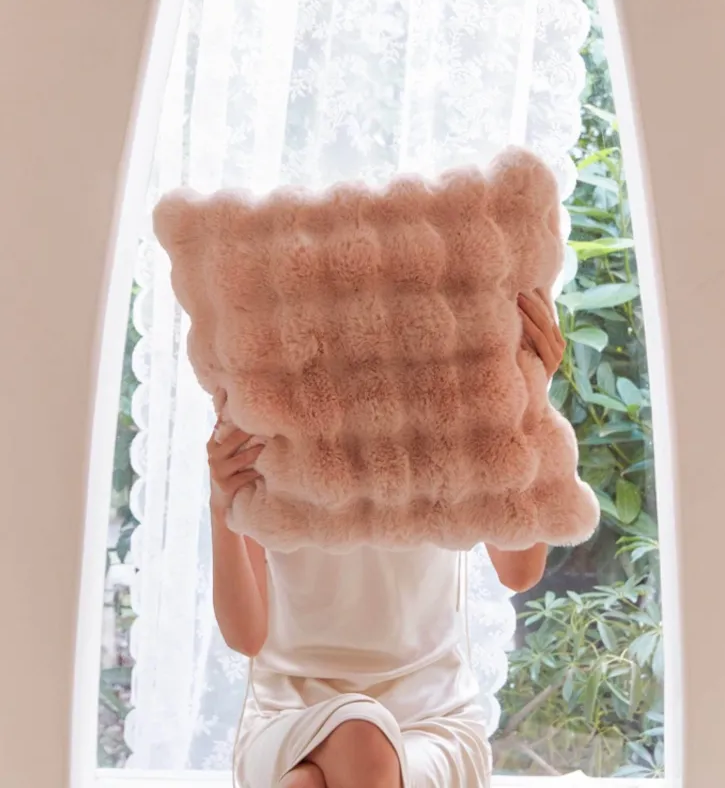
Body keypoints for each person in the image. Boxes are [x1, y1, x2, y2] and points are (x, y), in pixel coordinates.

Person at [207, 291, 566, 788]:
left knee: (322, 770)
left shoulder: (447, 412)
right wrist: (220, 502)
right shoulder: (273, 420)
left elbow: (519, 571)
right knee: (356, 738)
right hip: (289, 713)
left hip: (429, 719)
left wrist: (525, 405)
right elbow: (246, 636)